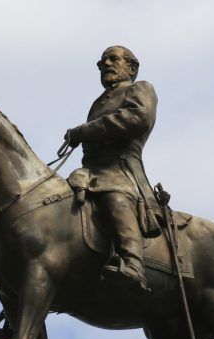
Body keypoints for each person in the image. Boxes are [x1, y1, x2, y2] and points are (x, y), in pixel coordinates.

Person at [65, 45, 163, 291]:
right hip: (90, 171)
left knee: (115, 199)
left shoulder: (140, 89)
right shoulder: (99, 102)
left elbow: (137, 118)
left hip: (120, 171)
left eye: (113, 59)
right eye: (102, 62)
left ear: (131, 67)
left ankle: (133, 265)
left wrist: (83, 131)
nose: (106, 64)